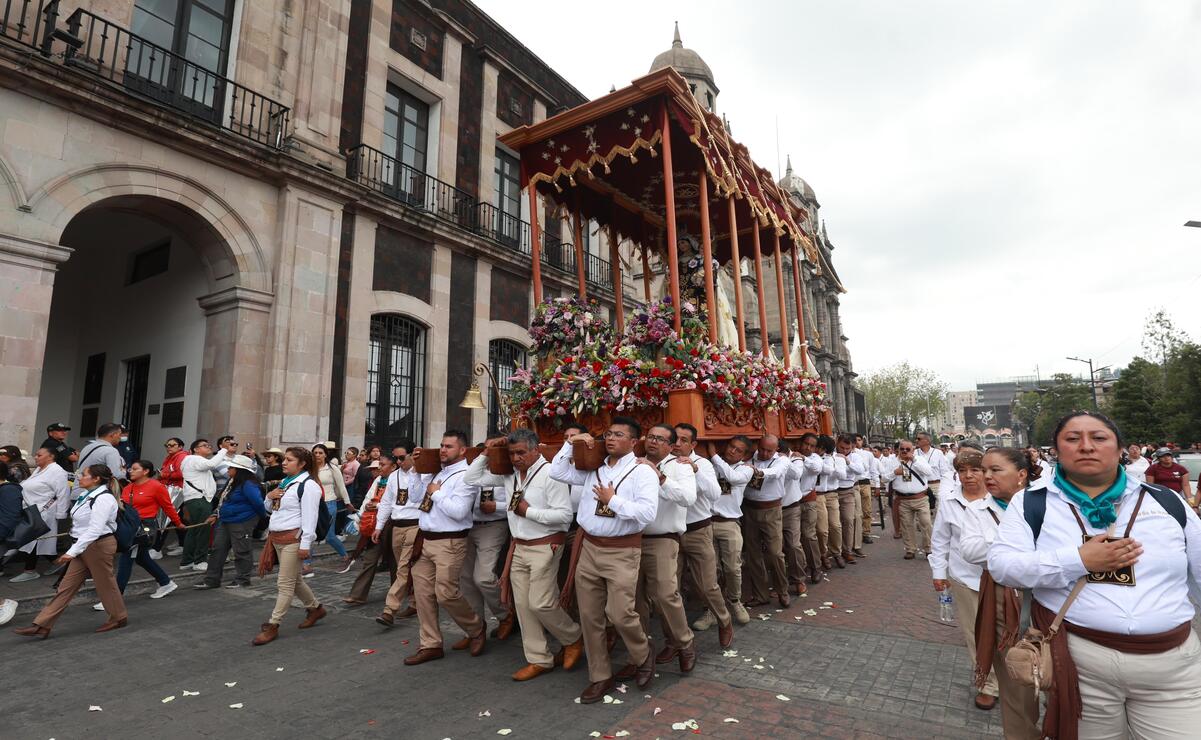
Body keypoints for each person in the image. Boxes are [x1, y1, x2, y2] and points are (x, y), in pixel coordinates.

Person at [989, 411, 1201, 739]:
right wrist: (1079, 560)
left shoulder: (1165, 501)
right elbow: (1003, 566)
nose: (1086, 446)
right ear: (1056, 452)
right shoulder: (1032, 503)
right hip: (1080, 664)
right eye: (1073, 439)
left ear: (1121, 450)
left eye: (1099, 438)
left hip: (1172, 667)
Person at [550, 418, 660, 702]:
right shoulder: (593, 468)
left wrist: (613, 500)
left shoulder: (642, 472)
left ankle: (642, 654)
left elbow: (647, 514)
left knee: (620, 613)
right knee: (589, 616)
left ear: (634, 442)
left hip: (622, 550)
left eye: (619, 435)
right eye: (609, 434)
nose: (611, 439)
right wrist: (572, 442)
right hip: (589, 548)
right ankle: (601, 676)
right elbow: (558, 471)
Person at [466, 429, 582, 681]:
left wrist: (529, 512)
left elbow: (564, 517)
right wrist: (487, 452)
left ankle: (573, 637)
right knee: (523, 606)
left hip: (546, 545)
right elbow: (472, 478)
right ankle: (539, 659)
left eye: (521, 452)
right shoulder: (509, 475)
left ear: (535, 450)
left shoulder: (552, 474)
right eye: (511, 453)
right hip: (519, 546)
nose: (516, 458)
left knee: (541, 602)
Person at [956, 447, 1042, 740]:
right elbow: (969, 550)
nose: (986, 476)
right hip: (1004, 597)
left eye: (995, 470)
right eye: (985, 470)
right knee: (1015, 678)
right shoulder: (978, 509)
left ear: (1020, 475)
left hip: (1049, 596)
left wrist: (1003, 549)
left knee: (1063, 676)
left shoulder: (1046, 503)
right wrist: (1016, 547)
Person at [402, 431, 487, 666]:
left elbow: (459, 512)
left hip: (450, 542)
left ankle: (476, 626)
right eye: (441, 445)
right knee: (422, 595)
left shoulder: (466, 475)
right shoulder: (436, 470)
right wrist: (417, 471)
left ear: (462, 450)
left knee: (446, 593)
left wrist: (436, 493)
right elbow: (415, 498)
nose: (442, 450)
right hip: (426, 539)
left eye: (449, 446)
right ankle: (430, 644)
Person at [14, 464, 128, 638]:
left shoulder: (104, 499)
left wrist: (72, 552)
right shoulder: (85, 495)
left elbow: (95, 529)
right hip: (83, 546)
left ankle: (118, 617)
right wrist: (75, 549)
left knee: (106, 584)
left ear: (96, 479)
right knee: (66, 587)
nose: (79, 477)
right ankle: (42, 625)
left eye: (84, 475)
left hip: (98, 546)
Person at [926, 448, 999, 711]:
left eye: (975, 470)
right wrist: (939, 573)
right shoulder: (949, 501)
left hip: (1002, 578)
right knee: (974, 634)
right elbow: (940, 540)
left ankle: (1012, 677)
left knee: (1006, 630)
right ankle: (986, 684)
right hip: (964, 578)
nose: (968, 476)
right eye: (962, 471)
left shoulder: (1001, 498)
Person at [635, 424, 698, 674]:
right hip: (630, 538)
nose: (653, 442)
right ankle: (641, 652)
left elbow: (688, 498)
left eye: (660, 439)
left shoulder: (680, 467)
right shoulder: (635, 463)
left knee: (665, 594)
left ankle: (684, 644)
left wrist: (660, 477)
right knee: (635, 599)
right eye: (650, 437)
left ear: (671, 446)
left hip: (663, 538)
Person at [252, 447, 326, 645]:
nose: (284, 462)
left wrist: (306, 544)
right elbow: (270, 511)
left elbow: (311, 518)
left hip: (294, 540)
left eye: (289, 460)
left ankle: (273, 624)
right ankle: (316, 608)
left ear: (302, 464)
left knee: (284, 584)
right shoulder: (284, 483)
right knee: (295, 581)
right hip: (276, 538)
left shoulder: (309, 486)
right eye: (284, 459)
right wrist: (270, 496)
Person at [88, 460, 182, 610]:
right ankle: (166, 582)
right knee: (141, 558)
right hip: (129, 526)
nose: (130, 471)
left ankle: (114, 598)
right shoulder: (128, 487)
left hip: (144, 528)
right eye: (131, 468)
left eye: (135, 469)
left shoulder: (156, 486)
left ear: (145, 471)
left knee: (127, 558)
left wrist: (178, 523)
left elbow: (168, 507)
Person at [673, 424, 734, 644]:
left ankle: (724, 620)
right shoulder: (665, 462)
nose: (677, 444)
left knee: (707, 585)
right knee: (670, 589)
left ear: (693, 444)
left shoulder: (702, 464)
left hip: (698, 530)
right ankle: (676, 638)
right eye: (675, 439)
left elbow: (715, 493)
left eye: (683, 440)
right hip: (671, 534)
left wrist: (695, 471)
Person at [461, 442, 514, 643]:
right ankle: (475, 627)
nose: (491, 453)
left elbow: (521, 499)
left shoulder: (506, 473)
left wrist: (498, 506)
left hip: (494, 526)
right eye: (488, 449)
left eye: (495, 450)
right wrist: (483, 454)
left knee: (483, 577)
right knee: (466, 580)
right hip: (471, 526)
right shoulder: (480, 469)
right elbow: (471, 478)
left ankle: (505, 614)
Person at [196, 455, 267, 590]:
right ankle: (211, 580)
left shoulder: (248, 484)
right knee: (218, 550)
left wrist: (259, 517)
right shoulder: (232, 482)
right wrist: (215, 514)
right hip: (226, 520)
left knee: (241, 551)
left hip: (242, 521)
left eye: (231, 467)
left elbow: (258, 503)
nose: (228, 469)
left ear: (239, 470)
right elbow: (223, 501)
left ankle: (242, 579)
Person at [374, 441, 421, 625]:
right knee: (407, 568)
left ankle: (389, 609)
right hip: (397, 525)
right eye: (396, 458)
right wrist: (379, 526)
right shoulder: (394, 477)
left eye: (402, 457)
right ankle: (416, 602)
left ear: (412, 454)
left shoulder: (422, 474)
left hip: (415, 525)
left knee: (403, 568)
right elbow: (386, 502)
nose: (399, 462)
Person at [708, 436, 753, 624]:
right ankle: (711, 609)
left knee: (733, 568)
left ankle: (735, 601)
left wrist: (713, 455)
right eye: (731, 447)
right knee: (711, 569)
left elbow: (731, 478)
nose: (732, 451)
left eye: (738, 450)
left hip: (730, 524)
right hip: (708, 523)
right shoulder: (709, 465)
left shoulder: (745, 470)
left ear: (745, 455)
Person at [744, 435, 793, 607]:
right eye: (762, 449)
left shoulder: (782, 460)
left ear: (776, 449)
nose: (765, 453)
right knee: (753, 554)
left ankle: (782, 591)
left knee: (775, 553)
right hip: (749, 510)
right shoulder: (749, 457)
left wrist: (756, 471)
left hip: (771, 510)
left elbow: (776, 473)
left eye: (769, 450)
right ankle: (761, 594)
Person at [343, 458, 396, 606]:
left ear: (393, 466)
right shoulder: (379, 480)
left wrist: (378, 505)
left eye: (383, 465)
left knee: (394, 561)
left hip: (392, 523)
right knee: (369, 559)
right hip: (374, 525)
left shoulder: (397, 479)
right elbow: (368, 498)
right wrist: (363, 511)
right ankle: (357, 594)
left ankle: (398, 592)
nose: (379, 468)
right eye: (379, 465)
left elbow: (396, 502)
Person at [12, 447, 69, 582]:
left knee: (35, 539)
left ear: (51, 457)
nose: (36, 457)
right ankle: (58, 562)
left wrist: (61, 514)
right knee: (38, 540)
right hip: (32, 510)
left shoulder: (57, 472)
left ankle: (30, 570)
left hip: (44, 512)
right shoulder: (40, 469)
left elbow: (63, 493)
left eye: (39, 455)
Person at [179, 438, 231, 570]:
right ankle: (199, 561)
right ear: (196, 449)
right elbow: (212, 464)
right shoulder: (194, 459)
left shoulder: (193, 460)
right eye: (204, 445)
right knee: (204, 529)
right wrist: (224, 449)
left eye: (209, 445)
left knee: (194, 530)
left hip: (197, 499)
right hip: (199, 499)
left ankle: (187, 561)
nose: (208, 447)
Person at [881, 439, 934, 560]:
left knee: (926, 523)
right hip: (903, 499)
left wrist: (913, 460)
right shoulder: (892, 461)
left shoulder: (919, 459)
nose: (904, 451)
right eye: (902, 449)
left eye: (907, 449)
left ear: (913, 450)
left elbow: (929, 472)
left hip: (920, 498)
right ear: (898, 449)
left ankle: (929, 549)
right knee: (906, 525)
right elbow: (883, 478)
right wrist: (895, 472)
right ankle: (910, 549)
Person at [308, 443, 353, 572]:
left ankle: (345, 557)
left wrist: (347, 502)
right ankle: (306, 564)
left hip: (329, 503)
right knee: (309, 533)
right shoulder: (309, 469)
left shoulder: (332, 468)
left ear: (325, 454)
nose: (317, 455)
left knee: (329, 536)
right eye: (315, 453)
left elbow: (341, 486)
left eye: (320, 453)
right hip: (313, 504)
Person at [789, 433, 825, 586]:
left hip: (808, 501)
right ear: (800, 442)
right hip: (792, 503)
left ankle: (816, 568)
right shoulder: (790, 455)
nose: (808, 448)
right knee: (793, 541)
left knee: (809, 536)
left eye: (812, 446)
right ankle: (798, 573)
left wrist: (803, 458)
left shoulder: (815, 459)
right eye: (806, 444)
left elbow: (816, 469)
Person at [833, 434, 868, 563]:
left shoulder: (855, 457)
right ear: (837, 443)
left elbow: (860, 470)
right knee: (835, 524)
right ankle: (835, 551)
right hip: (832, 492)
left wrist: (847, 461)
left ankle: (847, 551)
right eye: (842, 447)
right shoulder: (832, 454)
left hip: (848, 491)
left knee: (848, 520)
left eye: (848, 448)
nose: (845, 451)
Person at [815, 435, 847, 568]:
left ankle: (836, 552)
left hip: (832, 494)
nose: (819, 450)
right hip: (817, 495)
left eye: (822, 448)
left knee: (835, 525)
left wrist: (831, 466)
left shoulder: (837, 459)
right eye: (818, 447)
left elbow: (842, 475)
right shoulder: (814, 459)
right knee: (822, 529)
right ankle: (823, 554)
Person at [155, 437, 189, 558]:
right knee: (176, 518)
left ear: (180, 447)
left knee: (165, 518)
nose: (169, 447)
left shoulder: (181, 456)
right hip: (170, 488)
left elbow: (181, 473)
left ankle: (157, 548)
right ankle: (183, 544)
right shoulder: (171, 457)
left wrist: (163, 474)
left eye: (172, 445)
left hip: (176, 490)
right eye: (167, 445)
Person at [914, 432, 953, 502]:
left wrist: (946, 486)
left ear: (927, 441)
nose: (916, 440)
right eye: (916, 438)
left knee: (939, 509)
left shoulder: (938, 453)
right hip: (920, 487)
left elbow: (944, 471)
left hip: (936, 486)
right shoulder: (914, 453)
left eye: (919, 439)